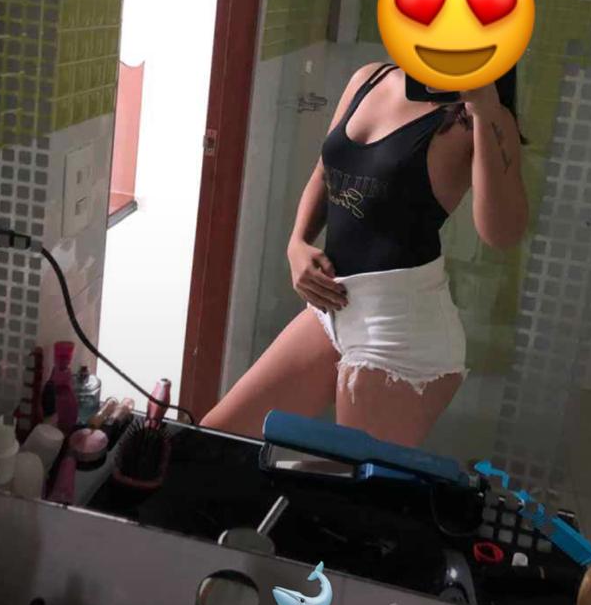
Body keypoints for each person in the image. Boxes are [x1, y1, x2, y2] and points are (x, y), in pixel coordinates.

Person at [201, 61, 528, 446]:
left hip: (399, 331)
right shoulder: (371, 77)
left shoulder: (480, 118)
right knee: (214, 442)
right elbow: (325, 172)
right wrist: (297, 243)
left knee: (346, 481)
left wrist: (485, 110)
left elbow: (502, 234)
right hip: (332, 310)